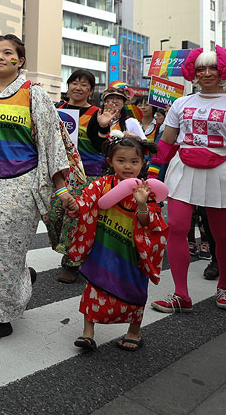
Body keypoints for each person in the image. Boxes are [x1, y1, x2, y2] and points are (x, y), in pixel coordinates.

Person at [0, 34, 76, 343]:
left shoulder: (34, 94)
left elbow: (51, 144)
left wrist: (60, 188)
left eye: (8, 53)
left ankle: (5, 310)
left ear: (20, 61)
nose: (0, 57)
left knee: (7, 253)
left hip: (21, 185)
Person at [67, 134, 168, 351]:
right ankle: (88, 332)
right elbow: (86, 201)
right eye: (121, 161)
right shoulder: (103, 184)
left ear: (142, 163)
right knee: (94, 287)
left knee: (135, 290)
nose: (128, 166)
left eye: (134, 162)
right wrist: (76, 206)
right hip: (104, 248)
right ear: (110, 162)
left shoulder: (145, 190)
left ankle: (134, 331)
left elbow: (151, 221)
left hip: (132, 251)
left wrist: (142, 204)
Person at [149, 47, 226, 313]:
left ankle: (224, 287)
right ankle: (181, 294)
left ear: (222, 70)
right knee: (177, 228)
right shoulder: (181, 103)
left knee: (222, 235)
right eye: (201, 68)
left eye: (212, 68)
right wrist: (150, 175)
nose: (206, 73)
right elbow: (167, 142)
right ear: (192, 71)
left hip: (221, 172)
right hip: (184, 169)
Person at [48, 69, 108, 283]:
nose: (78, 87)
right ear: (68, 85)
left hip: (86, 174)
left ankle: (71, 264)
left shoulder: (97, 114)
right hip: (59, 173)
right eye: (75, 82)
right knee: (54, 215)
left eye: (84, 84)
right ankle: (73, 249)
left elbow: (102, 145)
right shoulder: (56, 109)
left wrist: (103, 128)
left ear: (90, 91)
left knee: (74, 218)